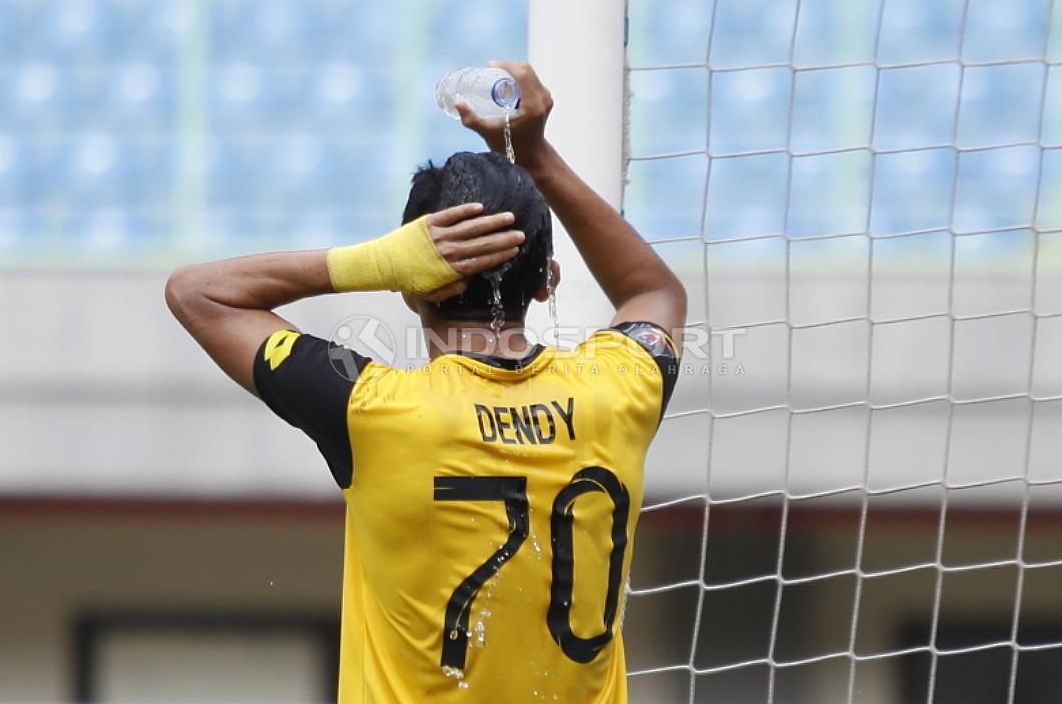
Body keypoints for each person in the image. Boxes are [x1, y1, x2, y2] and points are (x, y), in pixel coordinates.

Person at [166, 61, 686, 703]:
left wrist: (378, 261)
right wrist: (537, 156)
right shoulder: (619, 391)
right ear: (549, 279)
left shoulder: (376, 410)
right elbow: (652, 290)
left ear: (416, 279)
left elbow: (198, 295)